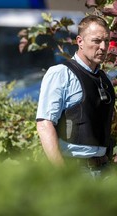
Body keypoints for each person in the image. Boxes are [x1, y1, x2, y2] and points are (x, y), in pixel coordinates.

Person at [36, 15, 115, 178]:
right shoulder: (61, 73)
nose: (103, 47)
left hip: (104, 170)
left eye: (106, 41)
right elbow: (45, 124)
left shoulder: (103, 79)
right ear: (80, 41)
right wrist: (63, 175)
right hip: (76, 170)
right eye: (96, 40)